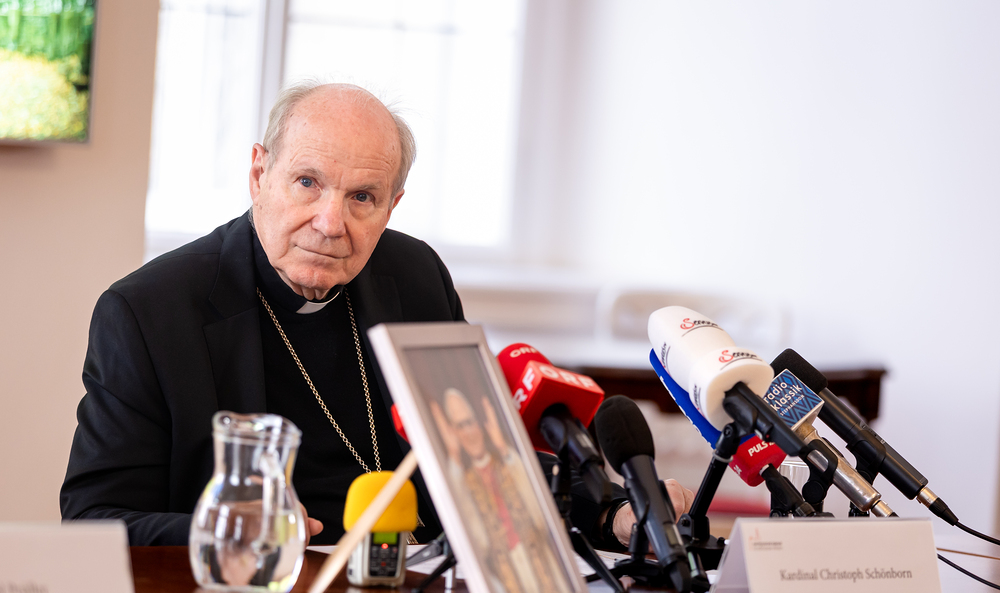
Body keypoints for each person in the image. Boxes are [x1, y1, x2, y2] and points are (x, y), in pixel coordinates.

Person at [61, 80, 691, 548]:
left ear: (392, 205)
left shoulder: (414, 277)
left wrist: (613, 512)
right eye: (307, 182)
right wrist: (231, 530)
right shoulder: (149, 312)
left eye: (362, 197)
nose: (330, 222)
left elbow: (487, 464)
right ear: (259, 174)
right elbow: (95, 519)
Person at [431, 388, 572, 593]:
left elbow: (539, 518)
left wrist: (503, 448)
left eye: (470, 422)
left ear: (481, 424)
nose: (468, 433)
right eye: (459, 427)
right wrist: (454, 456)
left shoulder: (509, 463)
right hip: (503, 576)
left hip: (539, 563)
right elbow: (479, 540)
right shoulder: (463, 480)